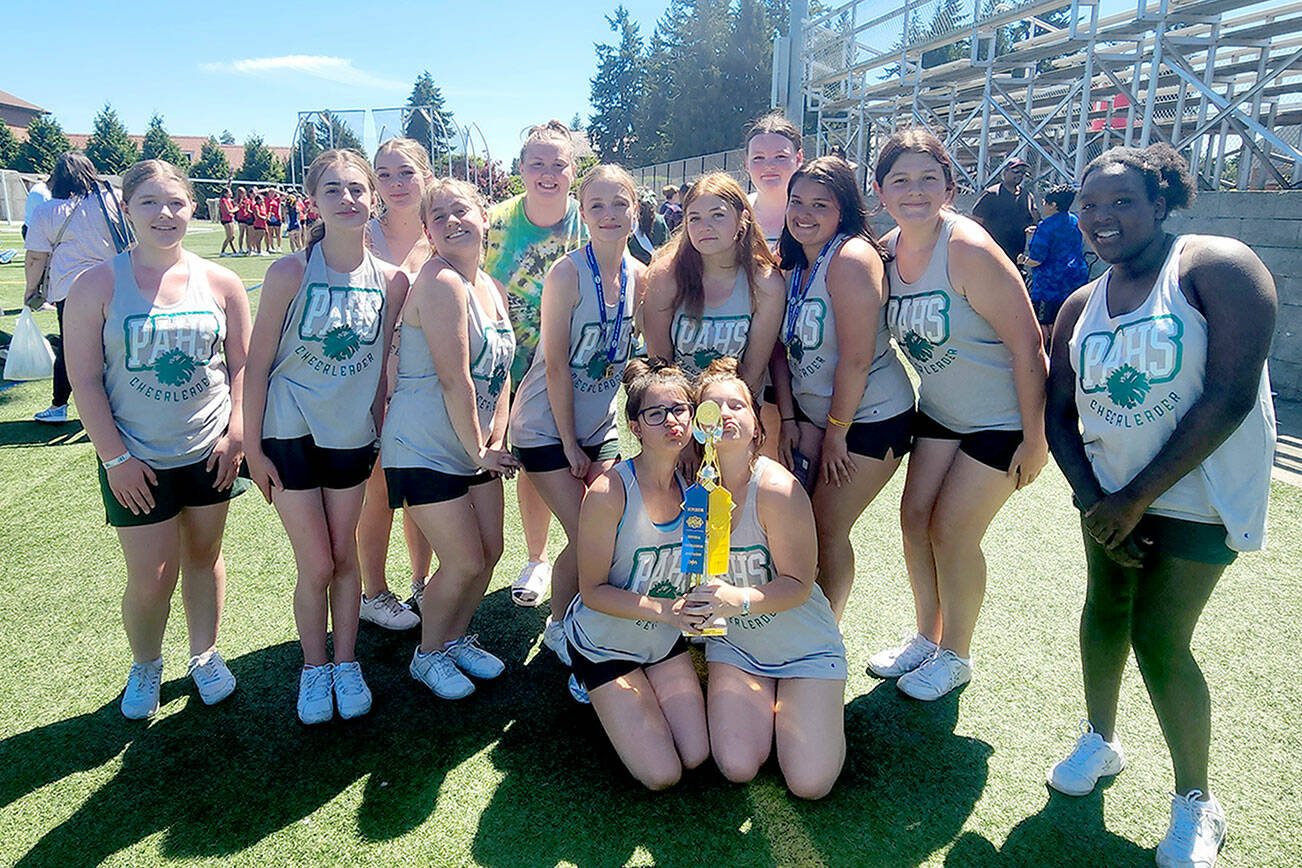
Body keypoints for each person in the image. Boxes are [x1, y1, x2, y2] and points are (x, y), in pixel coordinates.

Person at [1044, 144, 1276, 868]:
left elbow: (1230, 397)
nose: (1102, 217)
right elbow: (1058, 414)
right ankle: (1100, 739)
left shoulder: (1218, 267)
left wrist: (1134, 501)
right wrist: (1097, 501)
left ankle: (1197, 800)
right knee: (1104, 611)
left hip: (1198, 496)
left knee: (1159, 637)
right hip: (1111, 496)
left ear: (1162, 201)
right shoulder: (1081, 304)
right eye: (1089, 205)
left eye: (1122, 201)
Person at [62, 159, 252, 719]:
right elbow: (84, 379)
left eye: (175, 202)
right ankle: (146, 664)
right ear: (127, 208)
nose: (164, 213)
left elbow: (242, 367)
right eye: (149, 202)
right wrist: (115, 458)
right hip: (135, 458)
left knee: (204, 557)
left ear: (193, 207)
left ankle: (204, 655)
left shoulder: (221, 282)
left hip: (210, 451)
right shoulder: (96, 284)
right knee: (151, 577)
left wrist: (236, 435)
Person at [870, 129, 1048, 700]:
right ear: (880, 190)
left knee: (952, 531)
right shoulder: (885, 249)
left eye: (929, 179)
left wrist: (1036, 438)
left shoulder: (967, 247)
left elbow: (1029, 345)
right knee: (913, 519)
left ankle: (957, 654)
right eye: (900, 179)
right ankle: (927, 636)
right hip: (941, 412)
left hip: (1002, 418)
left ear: (950, 187)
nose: (915, 191)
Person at [242, 149, 408, 725]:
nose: (347, 199)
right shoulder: (289, 272)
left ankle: (345, 662)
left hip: (352, 437)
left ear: (373, 197)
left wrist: (380, 434)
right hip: (288, 433)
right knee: (316, 564)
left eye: (357, 188)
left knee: (344, 557)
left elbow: (381, 367)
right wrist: (252, 448)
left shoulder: (392, 280)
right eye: (333, 189)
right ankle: (314, 668)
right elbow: (257, 366)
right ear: (313, 200)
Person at [385, 178, 520, 699]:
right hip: (423, 446)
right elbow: (454, 378)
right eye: (437, 217)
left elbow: (501, 373)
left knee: (490, 552)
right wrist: (478, 449)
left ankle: (455, 638)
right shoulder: (440, 280)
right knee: (463, 560)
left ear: (484, 216)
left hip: (474, 441)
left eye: (460, 210)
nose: (451, 222)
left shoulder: (491, 287)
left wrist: (496, 434)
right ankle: (428, 654)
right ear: (427, 232)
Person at [687, 358, 846, 799]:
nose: (725, 414)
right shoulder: (691, 488)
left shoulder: (777, 489)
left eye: (737, 405)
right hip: (737, 649)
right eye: (712, 408)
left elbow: (799, 585)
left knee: (810, 784)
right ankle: (772, 713)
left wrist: (735, 598)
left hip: (805, 650)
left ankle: (810, 707)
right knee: (737, 766)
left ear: (757, 425)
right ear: (698, 426)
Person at [509, 163, 643, 677]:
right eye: (597, 206)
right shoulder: (567, 273)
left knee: (612, 527)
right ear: (582, 214)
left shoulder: (641, 276)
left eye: (619, 203)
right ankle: (559, 627)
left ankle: (590, 617)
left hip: (599, 427)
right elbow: (557, 366)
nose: (609, 214)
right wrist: (568, 442)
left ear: (635, 209)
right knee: (587, 530)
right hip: (545, 426)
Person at [772, 157, 916, 619]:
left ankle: (827, 630)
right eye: (797, 201)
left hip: (869, 418)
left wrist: (836, 433)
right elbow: (780, 350)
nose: (804, 213)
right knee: (797, 524)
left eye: (821, 205)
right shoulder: (793, 263)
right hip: (818, 417)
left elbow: (855, 360)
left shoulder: (851, 257)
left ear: (844, 211)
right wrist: (790, 419)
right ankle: (800, 622)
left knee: (826, 529)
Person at [563, 359, 708, 788]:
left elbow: (693, 570)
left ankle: (639, 688)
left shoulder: (697, 491)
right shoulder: (609, 491)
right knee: (662, 775)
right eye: (656, 413)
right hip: (605, 643)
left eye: (680, 409)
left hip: (660, 639)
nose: (672, 421)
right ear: (635, 427)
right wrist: (668, 611)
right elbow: (592, 591)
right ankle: (589, 679)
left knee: (697, 754)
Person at [483, 120, 587, 611]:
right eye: (537, 163)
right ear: (520, 168)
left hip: (575, 363)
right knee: (523, 461)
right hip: (509, 363)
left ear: (573, 170)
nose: (548, 173)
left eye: (558, 164)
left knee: (568, 460)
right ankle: (534, 557)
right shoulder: (496, 221)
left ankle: (571, 560)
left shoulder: (589, 217)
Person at [356, 138, 437, 632]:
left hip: (427, 381)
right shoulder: (362, 234)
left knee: (421, 486)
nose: (395, 184)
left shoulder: (442, 228)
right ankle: (374, 592)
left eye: (405, 172)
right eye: (384, 175)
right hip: (372, 383)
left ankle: (421, 582)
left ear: (425, 175)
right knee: (379, 489)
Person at [642, 172, 783, 392]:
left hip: (736, 403)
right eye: (695, 218)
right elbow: (661, 369)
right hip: (679, 404)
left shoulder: (766, 283)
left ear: (743, 219)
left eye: (717, 215)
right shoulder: (665, 276)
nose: (705, 226)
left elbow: (753, 374)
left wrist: (722, 408)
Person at [23, 152, 126, 424]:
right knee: (116, 345)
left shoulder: (48, 210)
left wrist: (31, 289)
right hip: (114, 283)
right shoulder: (112, 199)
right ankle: (120, 404)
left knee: (73, 349)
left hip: (71, 288)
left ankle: (59, 405)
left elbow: (35, 257)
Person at [1019, 183, 1090, 347]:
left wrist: (1022, 260)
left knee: (1045, 323)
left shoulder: (1046, 226)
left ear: (1053, 205)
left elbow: (1037, 260)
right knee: (1069, 320)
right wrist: (1037, 232)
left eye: (1045, 202)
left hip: (1050, 284)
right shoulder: (1074, 220)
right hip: (1075, 278)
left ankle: (1045, 354)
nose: (1042, 205)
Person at [744, 112, 804, 248]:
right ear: (747, 163)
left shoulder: (817, 216)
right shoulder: (734, 214)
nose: (769, 166)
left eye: (780, 157)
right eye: (758, 158)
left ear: (798, 158)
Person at [971, 157, 1039, 264]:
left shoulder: (1027, 196)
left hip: (1016, 257)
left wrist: (1035, 229)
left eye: (1023, 172)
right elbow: (975, 223)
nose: (1020, 174)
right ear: (1005, 172)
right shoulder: (991, 194)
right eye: (1016, 171)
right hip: (992, 255)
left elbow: (1036, 221)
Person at [628, 192, 669, 265]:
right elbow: (667, 244)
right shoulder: (660, 220)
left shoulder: (629, 224)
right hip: (658, 265)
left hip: (635, 267)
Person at [218, 187, 237, 257]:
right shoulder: (223, 200)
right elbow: (228, 211)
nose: (231, 193)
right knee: (229, 236)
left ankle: (235, 251)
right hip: (226, 219)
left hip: (230, 219)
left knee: (232, 236)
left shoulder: (228, 200)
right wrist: (236, 209)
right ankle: (222, 251)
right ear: (225, 193)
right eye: (229, 192)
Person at [235, 187, 251, 255]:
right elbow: (237, 207)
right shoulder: (236, 200)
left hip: (247, 217)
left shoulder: (248, 200)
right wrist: (241, 201)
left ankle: (248, 248)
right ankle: (240, 248)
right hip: (241, 218)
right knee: (241, 234)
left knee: (248, 234)